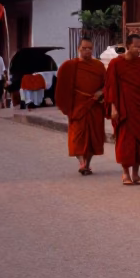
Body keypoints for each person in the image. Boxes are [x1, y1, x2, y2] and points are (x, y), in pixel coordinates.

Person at [105, 34, 140, 186]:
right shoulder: (116, 63)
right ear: (128, 46)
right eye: (136, 46)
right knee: (126, 142)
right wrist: (113, 107)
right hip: (123, 108)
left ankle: (136, 174)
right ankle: (125, 173)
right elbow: (110, 86)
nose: (139, 49)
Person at [56, 38, 106, 175]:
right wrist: (65, 105)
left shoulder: (99, 66)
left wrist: (102, 92)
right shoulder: (69, 66)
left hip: (94, 104)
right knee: (77, 135)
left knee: (93, 136)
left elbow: (107, 84)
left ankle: (87, 163)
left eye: (90, 48)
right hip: (78, 105)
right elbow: (62, 87)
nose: (87, 51)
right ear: (78, 49)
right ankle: (81, 162)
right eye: (84, 48)